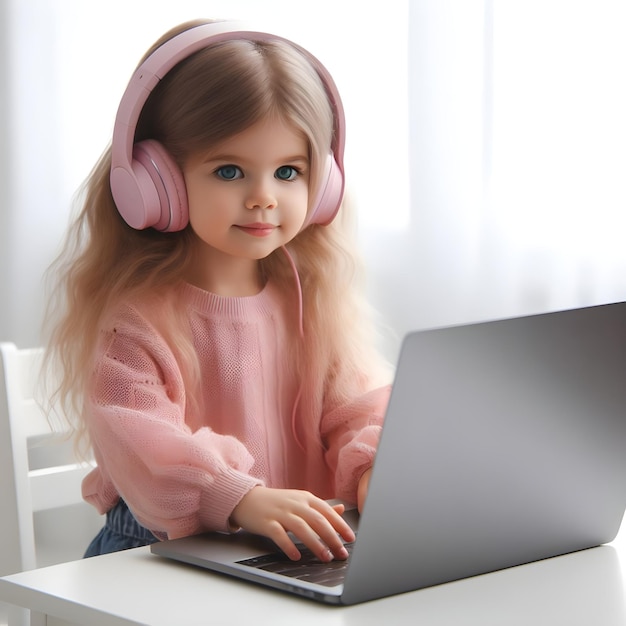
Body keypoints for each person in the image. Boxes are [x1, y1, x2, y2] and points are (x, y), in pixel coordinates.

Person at [43, 19, 391, 564]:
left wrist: (374, 469)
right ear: (158, 182)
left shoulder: (309, 300)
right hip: (158, 549)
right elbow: (139, 437)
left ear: (323, 185)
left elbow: (355, 405)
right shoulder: (137, 320)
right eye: (229, 171)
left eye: (288, 172)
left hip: (280, 550)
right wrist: (238, 495)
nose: (263, 198)